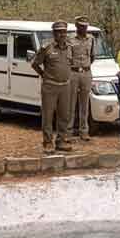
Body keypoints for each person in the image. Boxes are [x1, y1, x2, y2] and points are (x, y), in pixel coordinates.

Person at [31, 20, 74, 154]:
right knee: (48, 115)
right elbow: (35, 64)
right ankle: (48, 142)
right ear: (54, 33)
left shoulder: (70, 47)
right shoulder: (47, 48)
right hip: (50, 86)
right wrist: (44, 75)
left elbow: (70, 64)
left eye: (64, 32)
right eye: (59, 32)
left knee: (64, 115)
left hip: (65, 86)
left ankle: (61, 141)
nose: (62, 34)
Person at [69, 15, 94, 141]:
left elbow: (92, 56)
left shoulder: (91, 39)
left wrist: (86, 67)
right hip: (73, 72)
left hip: (86, 72)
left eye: (86, 26)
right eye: (81, 26)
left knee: (85, 103)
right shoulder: (70, 39)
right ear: (76, 26)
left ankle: (84, 131)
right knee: (71, 102)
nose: (84, 28)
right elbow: (67, 57)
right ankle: (68, 131)